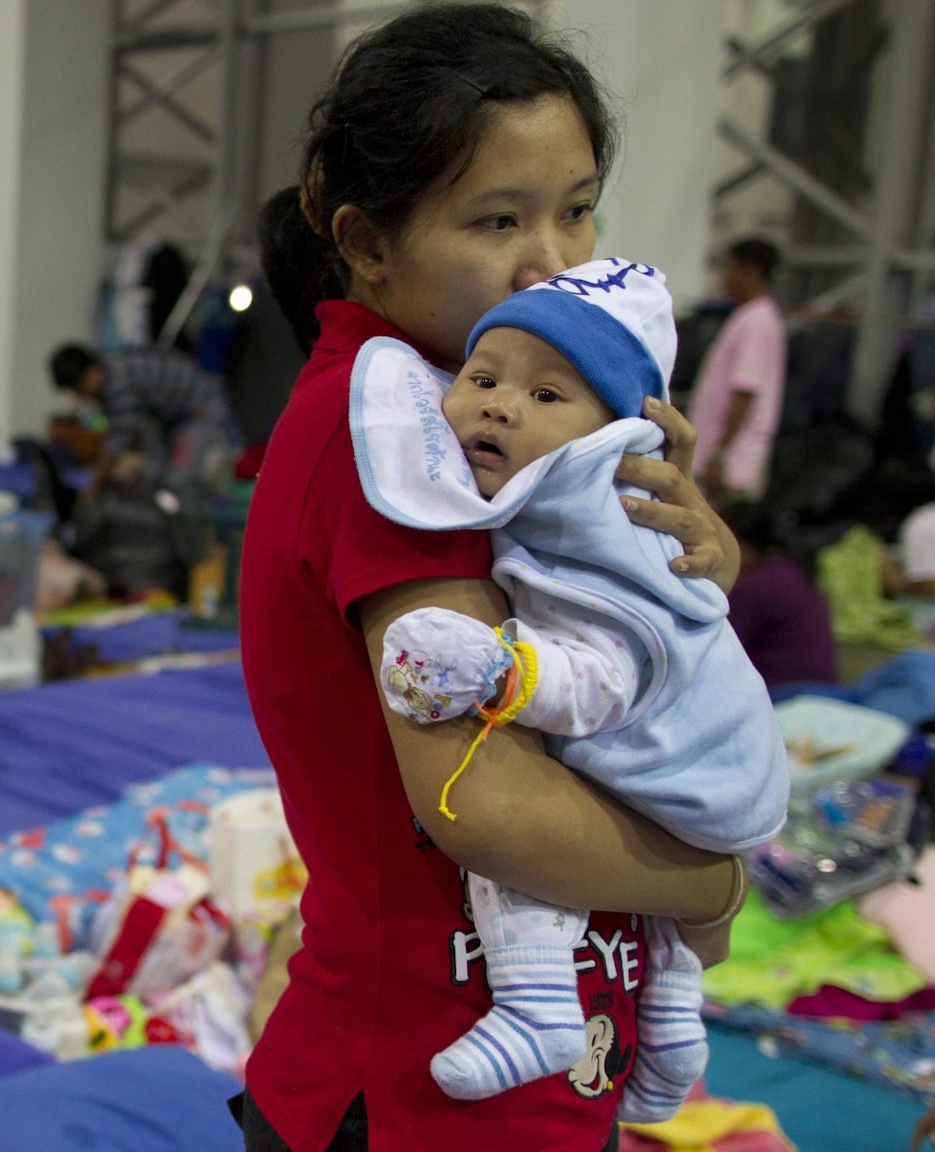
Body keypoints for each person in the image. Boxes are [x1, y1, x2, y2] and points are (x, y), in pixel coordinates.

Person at [238, 7, 747, 1150]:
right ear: (366, 241)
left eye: (575, 209)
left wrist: (693, 564)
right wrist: (712, 882)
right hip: (425, 1082)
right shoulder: (392, 439)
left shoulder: (501, 428)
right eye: (496, 220)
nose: (555, 263)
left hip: (530, 1068)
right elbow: (484, 799)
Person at [353, 260, 787, 1114]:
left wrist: (507, 673)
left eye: (548, 398)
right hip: (714, 791)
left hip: (696, 766)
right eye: (481, 379)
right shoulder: (558, 501)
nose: (500, 405)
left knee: (530, 833)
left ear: (614, 434)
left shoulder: (604, 525)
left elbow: (604, 679)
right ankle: (669, 1021)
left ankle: (540, 1004)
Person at [47, 341, 232, 490]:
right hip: (177, 417)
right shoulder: (111, 363)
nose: (82, 395)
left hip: (200, 408)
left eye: (79, 388)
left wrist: (93, 486)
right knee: (155, 472)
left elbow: (116, 440)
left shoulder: (118, 381)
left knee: (178, 480)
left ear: (88, 374)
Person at [686, 238, 786, 503]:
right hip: (720, 459)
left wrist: (720, 454)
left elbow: (745, 391)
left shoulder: (757, 321)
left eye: (729, 269)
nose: (724, 278)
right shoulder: (747, 317)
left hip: (732, 464)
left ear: (751, 272)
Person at [725, 502, 838, 688]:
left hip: (786, 695)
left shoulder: (759, 585)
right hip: (820, 691)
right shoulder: (790, 571)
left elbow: (722, 650)